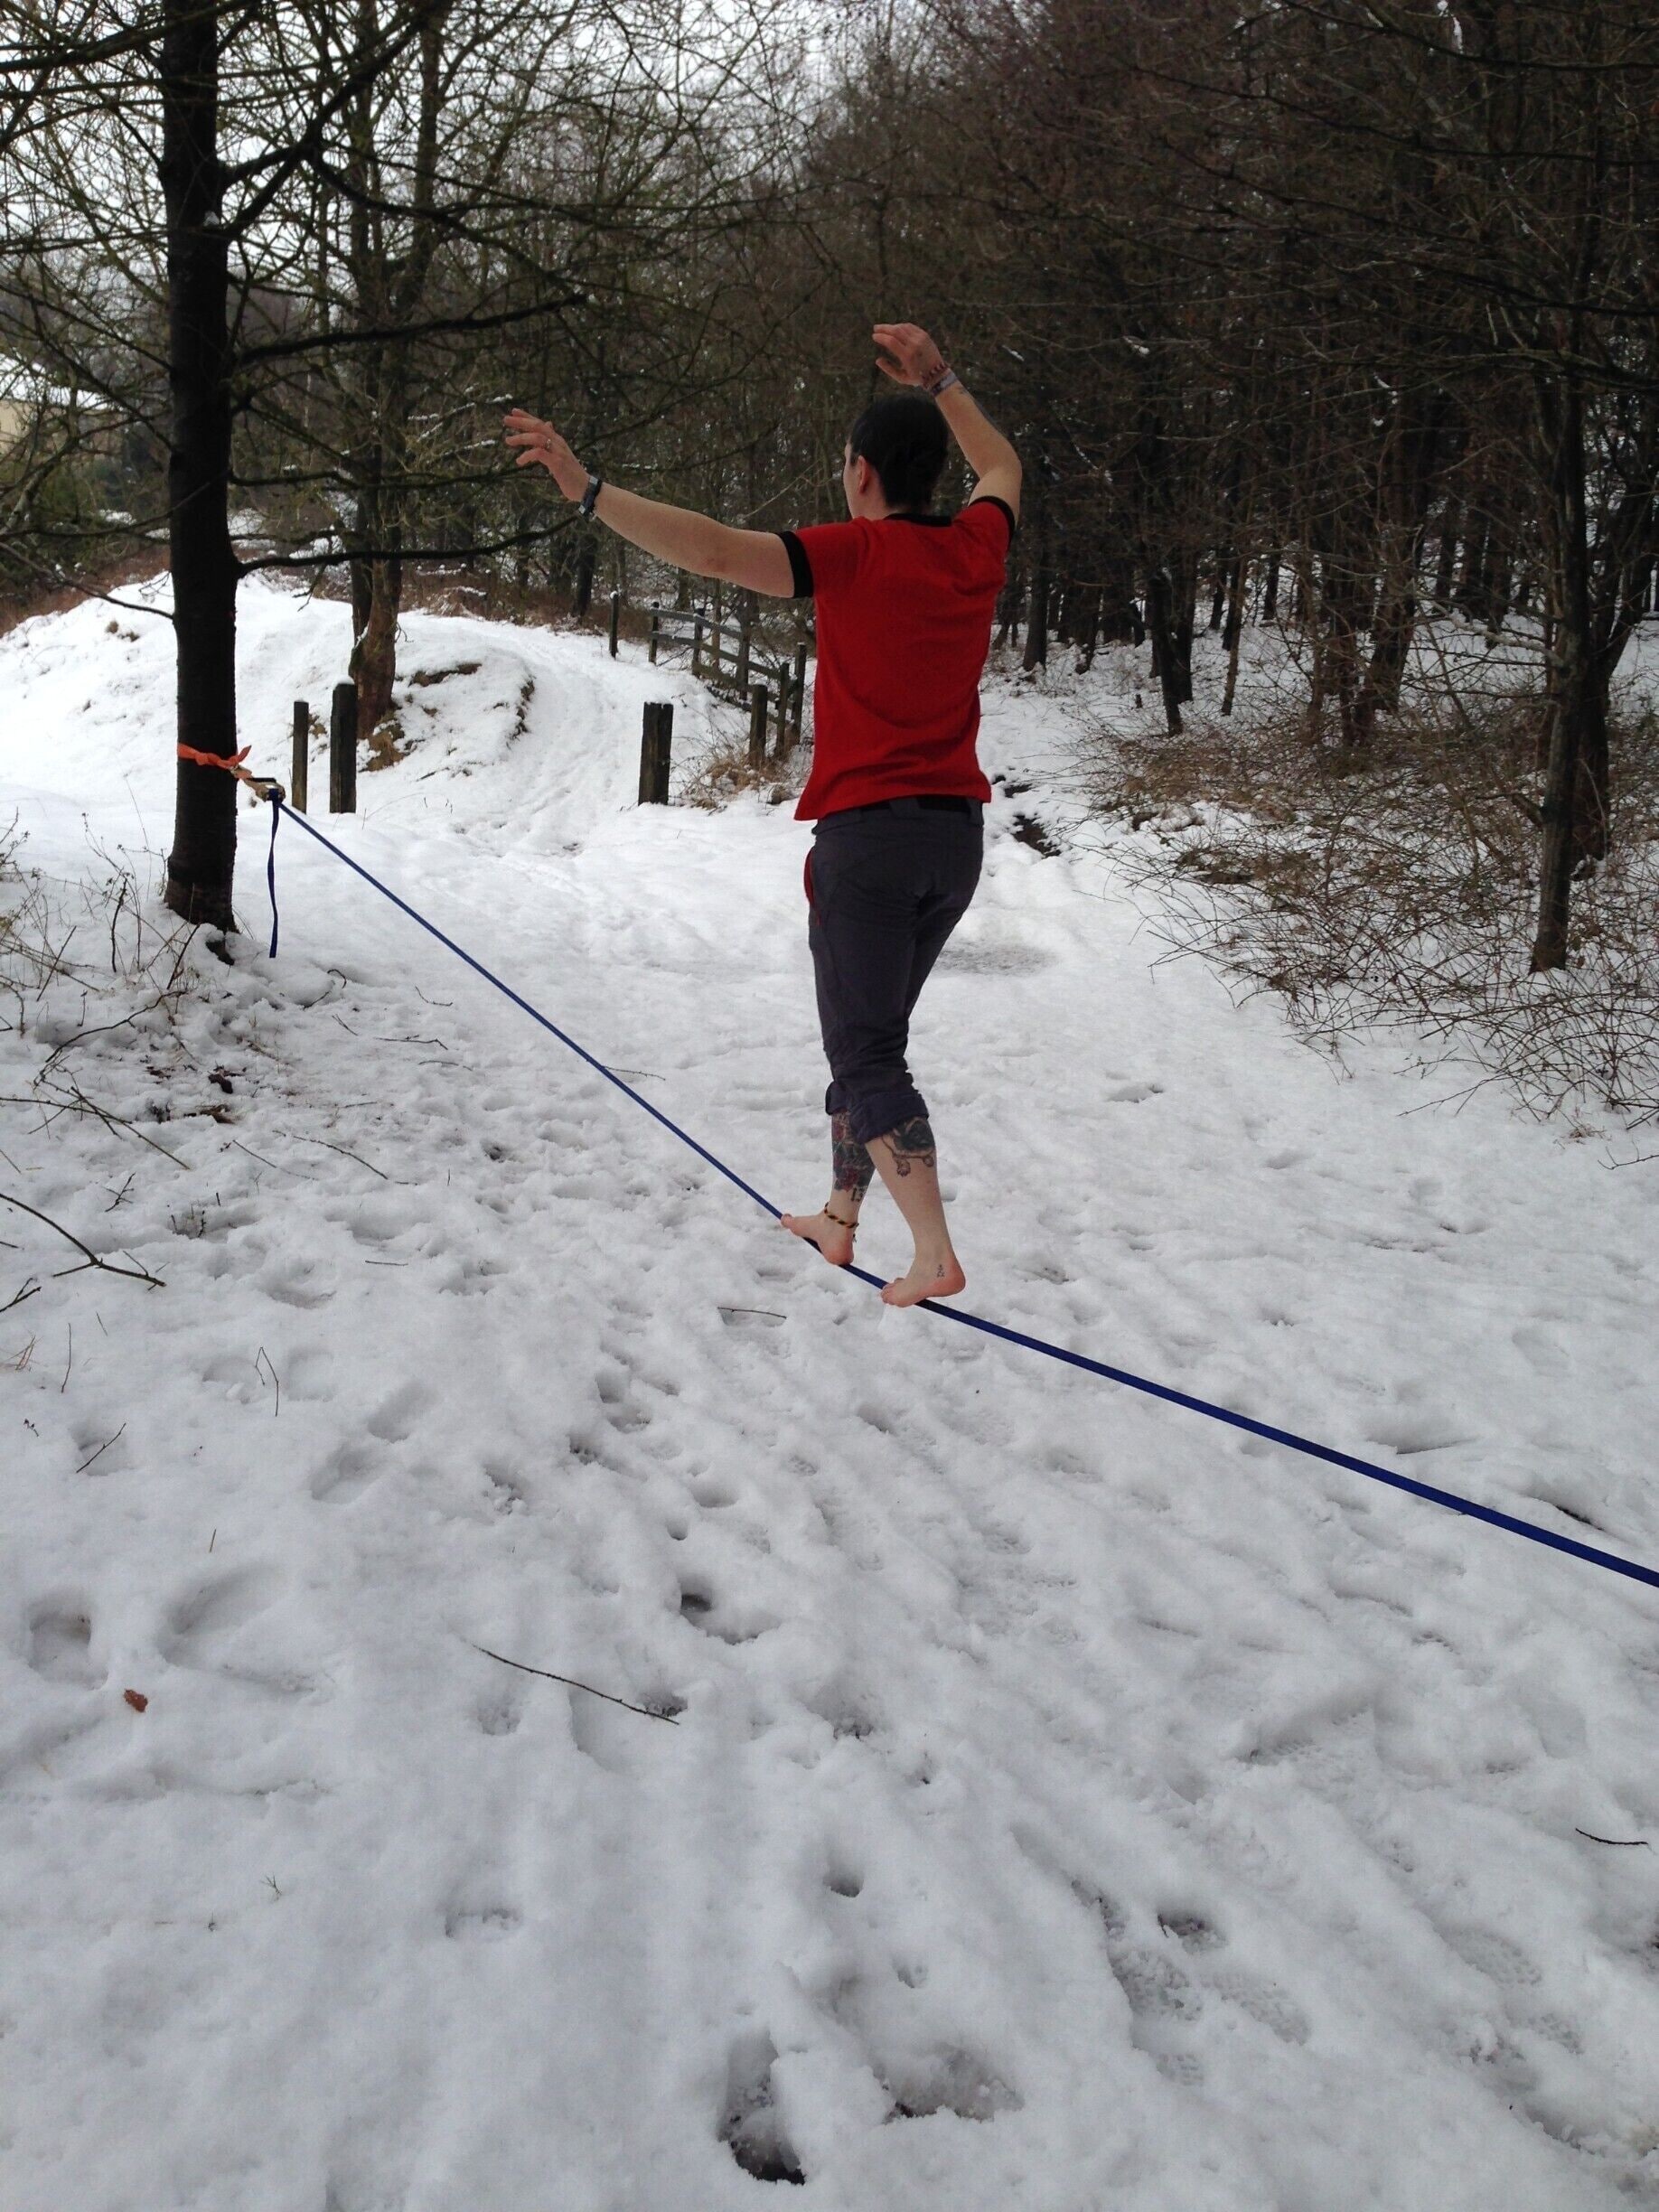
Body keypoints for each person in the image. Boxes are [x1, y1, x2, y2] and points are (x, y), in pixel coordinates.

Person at [505, 321, 1020, 1307]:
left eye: (843, 463)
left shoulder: (853, 555)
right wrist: (945, 377)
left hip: (868, 844)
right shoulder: (975, 545)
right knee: (869, 1041)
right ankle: (840, 1214)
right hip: (952, 842)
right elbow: (1001, 463)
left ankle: (933, 1254)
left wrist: (585, 487)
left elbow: (710, 548)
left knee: (866, 1051)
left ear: (863, 474)